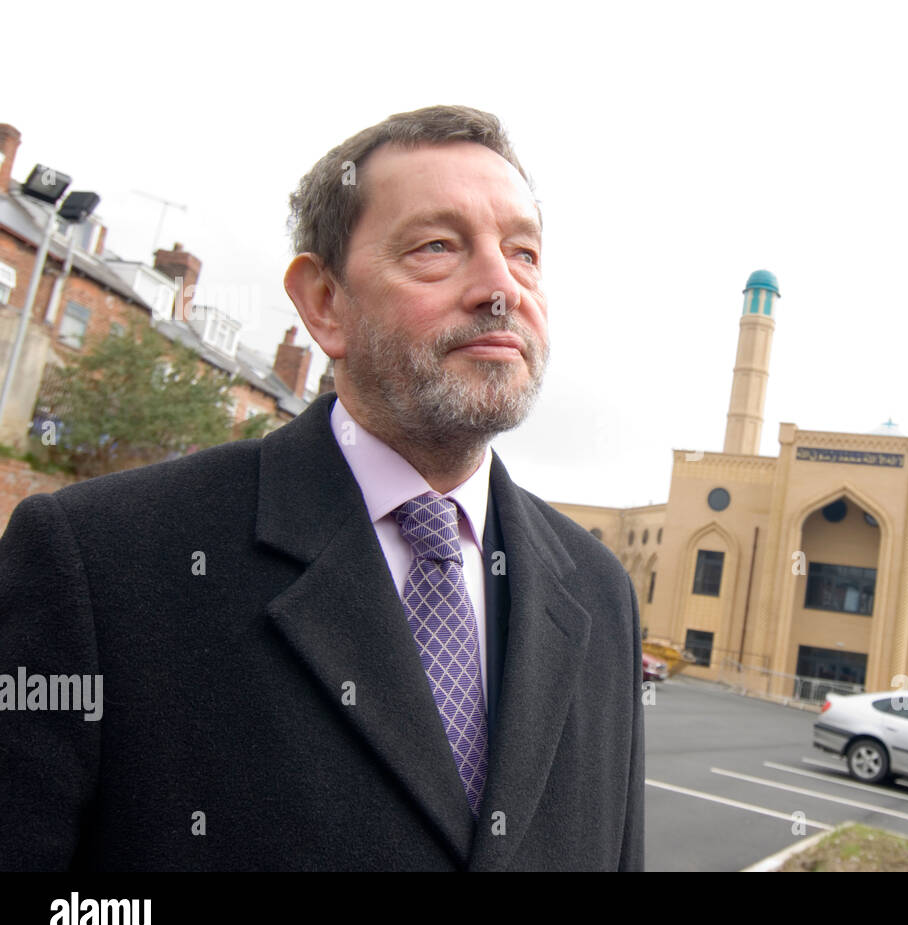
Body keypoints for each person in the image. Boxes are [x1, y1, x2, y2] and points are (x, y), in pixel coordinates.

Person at [0, 105, 645, 871]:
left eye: (524, 252)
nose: (501, 289)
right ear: (324, 303)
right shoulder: (99, 563)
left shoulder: (602, 595)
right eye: (439, 247)